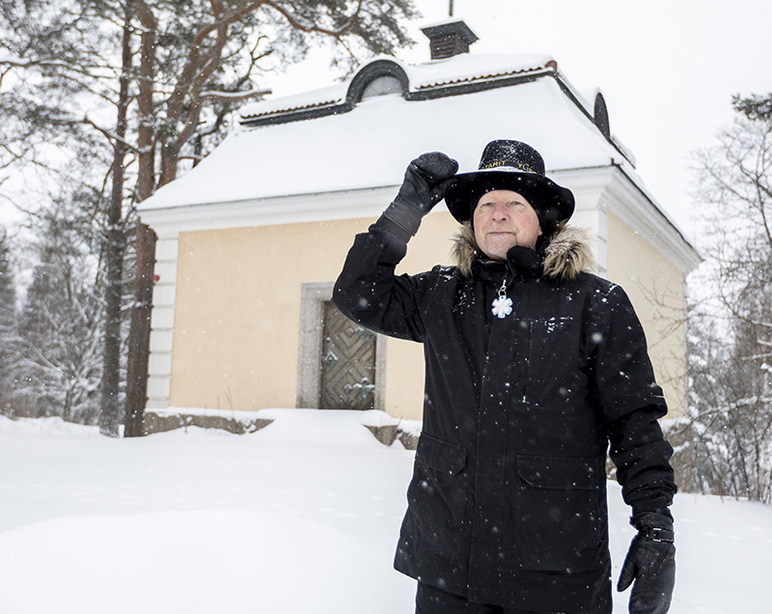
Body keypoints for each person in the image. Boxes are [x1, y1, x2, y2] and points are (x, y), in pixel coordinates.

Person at [332, 140, 676, 614]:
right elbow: (357, 294)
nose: (498, 213)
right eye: (486, 203)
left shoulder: (597, 303)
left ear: (542, 220)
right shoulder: (442, 295)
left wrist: (655, 525)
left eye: (515, 203)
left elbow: (635, 422)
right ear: (472, 221)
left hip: (556, 572)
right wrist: (406, 208)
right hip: (449, 566)